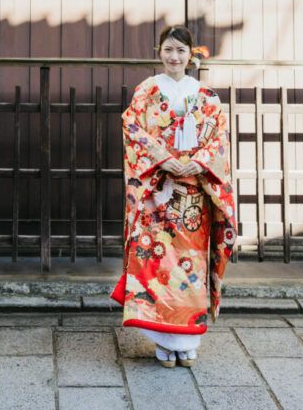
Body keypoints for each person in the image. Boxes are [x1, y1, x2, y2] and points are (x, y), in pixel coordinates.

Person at [112, 24, 236, 368]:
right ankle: (165, 343)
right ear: (159, 51)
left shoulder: (207, 96)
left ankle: (189, 338)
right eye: (168, 49)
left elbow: (218, 140)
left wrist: (195, 162)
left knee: (191, 265)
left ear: (191, 55)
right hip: (157, 195)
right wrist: (165, 159)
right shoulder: (147, 91)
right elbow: (132, 128)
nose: (174, 56)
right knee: (160, 266)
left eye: (181, 50)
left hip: (195, 194)